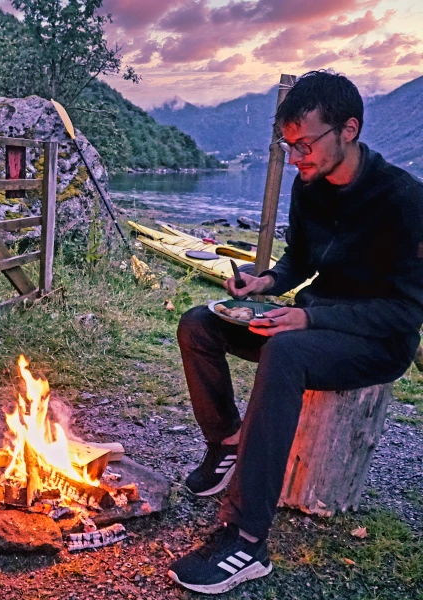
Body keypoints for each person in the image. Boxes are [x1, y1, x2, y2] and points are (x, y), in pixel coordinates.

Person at [167, 70, 423, 594]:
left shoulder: (406, 200)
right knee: (198, 323)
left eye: (304, 144)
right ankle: (228, 444)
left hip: (375, 342)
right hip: (312, 322)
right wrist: (267, 281)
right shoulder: (312, 187)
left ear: (348, 129)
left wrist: (312, 317)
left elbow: (405, 312)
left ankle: (246, 537)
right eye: (290, 146)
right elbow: (301, 258)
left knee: (285, 353)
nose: (298, 158)